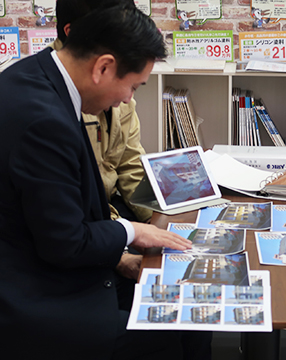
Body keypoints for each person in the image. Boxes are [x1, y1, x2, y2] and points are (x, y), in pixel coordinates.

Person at [0, 4, 209, 359]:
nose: (128, 99)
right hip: (34, 299)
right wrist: (132, 233)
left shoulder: (34, 75)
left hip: (38, 256)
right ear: (104, 67)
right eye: (132, 87)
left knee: (177, 300)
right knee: (170, 330)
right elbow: (66, 244)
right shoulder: (45, 123)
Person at [53, 0, 150, 312]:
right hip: (83, 229)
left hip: (111, 210)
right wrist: (120, 253)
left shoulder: (116, 87)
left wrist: (165, 223)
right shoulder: (48, 110)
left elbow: (132, 167)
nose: (127, 96)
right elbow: (66, 223)